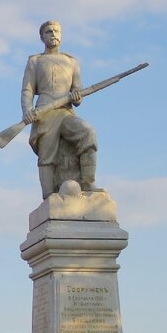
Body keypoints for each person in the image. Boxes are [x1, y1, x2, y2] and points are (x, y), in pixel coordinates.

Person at [21, 21, 99, 199]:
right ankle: (49, 196)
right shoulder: (35, 61)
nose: (53, 34)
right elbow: (27, 90)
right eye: (48, 31)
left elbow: (77, 91)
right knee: (46, 156)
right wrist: (27, 109)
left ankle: (88, 182)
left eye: (56, 31)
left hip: (65, 111)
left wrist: (77, 96)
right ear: (42, 37)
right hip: (44, 113)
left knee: (88, 133)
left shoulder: (71, 61)